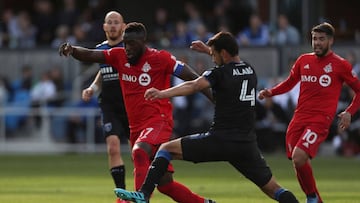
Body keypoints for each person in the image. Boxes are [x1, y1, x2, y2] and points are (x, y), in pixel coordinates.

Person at [113, 31, 299, 203]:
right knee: (274, 189)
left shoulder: (219, 73)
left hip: (220, 140)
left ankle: (144, 194)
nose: (213, 58)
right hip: (246, 145)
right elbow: (229, 70)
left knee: (166, 149)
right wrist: (209, 50)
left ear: (223, 53)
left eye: (214, 54)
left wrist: (162, 94)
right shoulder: (250, 71)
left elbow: (194, 85)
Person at [59, 22, 214, 203]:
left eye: (131, 44)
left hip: (159, 121)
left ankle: (140, 199)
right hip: (136, 127)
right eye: (125, 43)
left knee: (139, 151)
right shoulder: (118, 56)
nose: (127, 48)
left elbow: (192, 77)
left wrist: (212, 96)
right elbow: (92, 54)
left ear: (143, 42)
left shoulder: (160, 58)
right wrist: (73, 50)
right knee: (165, 185)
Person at [258, 22, 360, 203]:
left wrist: (349, 112)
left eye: (322, 39)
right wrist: (271, 92)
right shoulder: (303, 60)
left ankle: (311, 197)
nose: (317, 43)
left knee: (299, 157)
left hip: (320, 119)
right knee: (299, 162)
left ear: (331, 41)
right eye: (314, 39)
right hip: (298, 118)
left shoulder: (340, 65)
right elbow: (290, 82)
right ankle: (316, 199)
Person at [80, 11, 130, 203]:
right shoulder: (100, 50)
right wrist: (92, 88)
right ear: (104, 26)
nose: (113, 26)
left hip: (130, 105)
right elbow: (103, 71)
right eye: (109, 22)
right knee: (113, 148)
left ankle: (142, 191)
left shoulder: (129, 48)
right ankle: (122, 195)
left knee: (137, 151)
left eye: (116, 22)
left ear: (123, 26)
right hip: (109, 105)